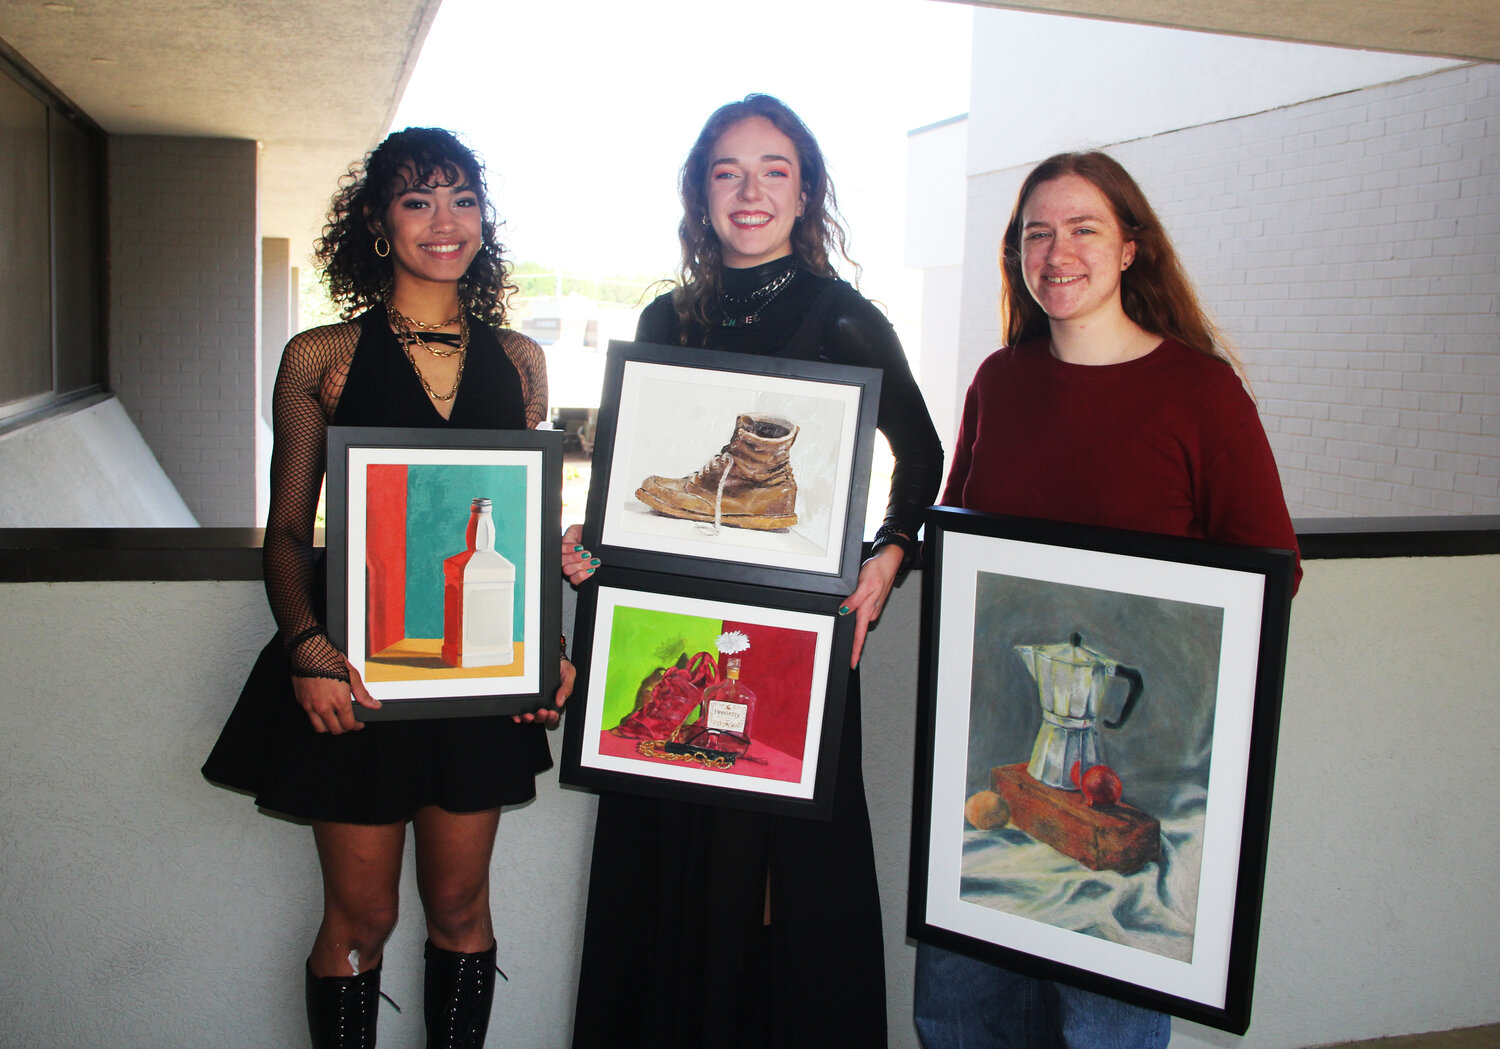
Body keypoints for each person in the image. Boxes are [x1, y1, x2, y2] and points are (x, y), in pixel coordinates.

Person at [562, 94, 943, 1048]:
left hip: (794, 646)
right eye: (728, 170)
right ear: (701, 191)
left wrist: (885, 559)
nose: (751, 189)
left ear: (805, 189)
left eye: (775, 169)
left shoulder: (847, 318)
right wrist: (595, 541)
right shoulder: (665, 315)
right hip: (672, 629)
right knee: (670, 868)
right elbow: (636, 481)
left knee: (781, 882)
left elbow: (928, 458)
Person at [912, 151, 1302, 1048]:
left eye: (1084, 228)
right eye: (1036, 232)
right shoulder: (998, 383)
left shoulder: (1202, 393)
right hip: (983, 792)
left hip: (1136, 793)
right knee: (963, 1022)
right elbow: (954, 545)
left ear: (1131, 248)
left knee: (1102, 1033)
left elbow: (1269, 579)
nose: (1057, 251)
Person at [202, 127, 571, 1049]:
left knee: (461, 909)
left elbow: (520, 523)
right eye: (417, 201)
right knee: (359, 923)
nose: (444, 222)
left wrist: (546, 649)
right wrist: (306, 646)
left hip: (477, 678)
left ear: (483, 218)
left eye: (461, 199)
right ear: (378, 221)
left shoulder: (522, 360)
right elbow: (289, 533)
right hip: (355, 677)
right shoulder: (319, 354)